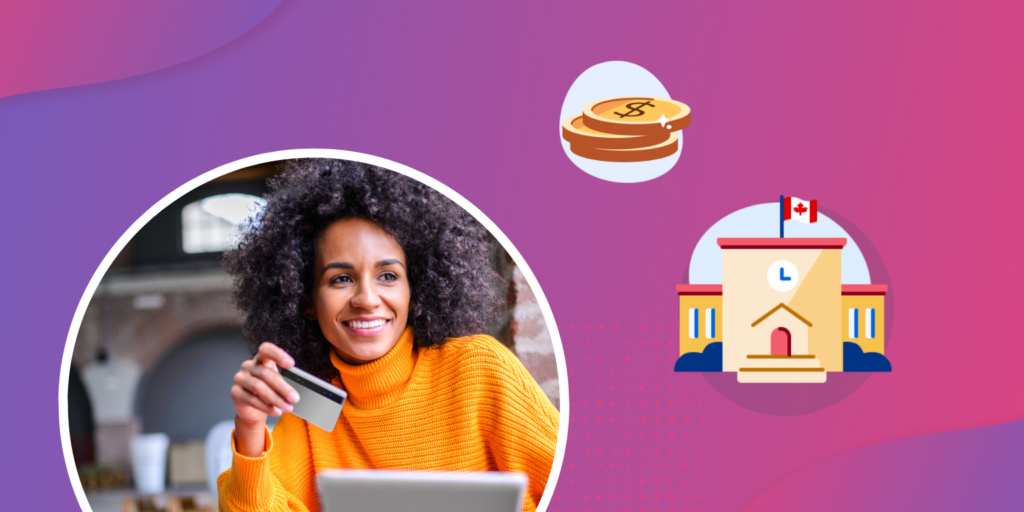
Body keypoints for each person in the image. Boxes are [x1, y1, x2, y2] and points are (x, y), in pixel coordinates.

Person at [216, 159, 559, 512]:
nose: (366, 299)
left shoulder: (478, 369)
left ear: (416, 287)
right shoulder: (313, 403)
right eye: (341, 279)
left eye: (388, 276)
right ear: (306, 301)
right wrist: (251, 427)